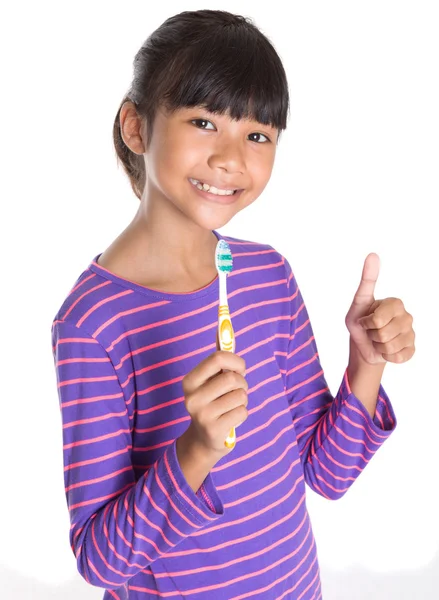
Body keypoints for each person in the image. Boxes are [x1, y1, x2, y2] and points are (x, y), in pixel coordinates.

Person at [51, 9, 415, 600]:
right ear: (136, 127)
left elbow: (326, 474)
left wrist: (366, 364)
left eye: (257, 135)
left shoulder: (266, 275)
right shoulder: (92, 322)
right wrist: (195, 450)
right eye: (202, 121)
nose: (231, 158)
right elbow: (101, 561)